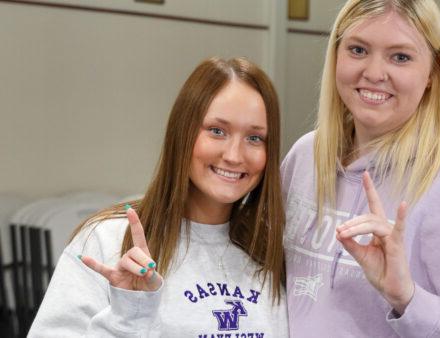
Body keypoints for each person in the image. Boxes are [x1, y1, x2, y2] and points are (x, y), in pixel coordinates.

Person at [281, 0, 440, 337]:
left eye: (400, 57)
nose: (373, 73)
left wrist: (409, 299)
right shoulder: (305, 157)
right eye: (357, 49)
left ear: (432, 72)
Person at [29, 57, 289, 337]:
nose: (234, 155)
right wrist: (127, 316)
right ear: (182, 133)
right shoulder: (109, 240)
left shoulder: (273, 249)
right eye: (217, 131)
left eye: (254, 138)